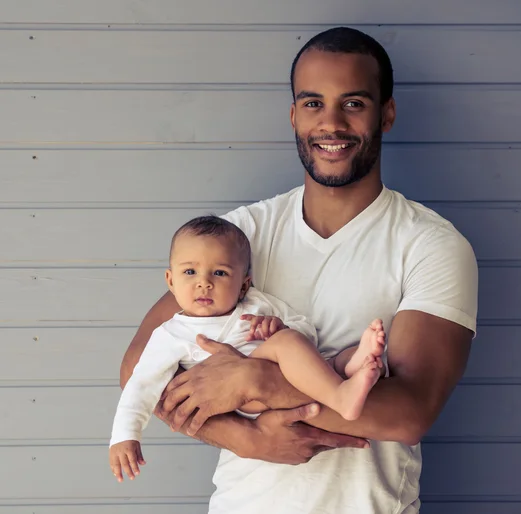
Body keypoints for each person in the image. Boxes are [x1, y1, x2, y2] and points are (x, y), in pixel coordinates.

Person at [120, 26, 478, 514]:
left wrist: (257, 384)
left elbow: (409, 413)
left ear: (386, 114)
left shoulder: (431, 244)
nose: (331, 123)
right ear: (293, 115)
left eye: (353, 103)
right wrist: (244, 437)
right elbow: (137, 365)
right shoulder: (238, 237)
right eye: (313, 103)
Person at [109, 216, 387, 482]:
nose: (203, 282)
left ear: (243, 285)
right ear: (170, 281)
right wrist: (125, 434)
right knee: (287, 344)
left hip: (285, 377)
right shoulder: (171, 334)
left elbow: (304, 332)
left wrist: (276, 325)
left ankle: (355, 365)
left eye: (219, 273)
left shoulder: (256, 305)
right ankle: (341, 397)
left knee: (311, 350)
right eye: (190, 271)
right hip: (244, 402)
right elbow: (141, 383)